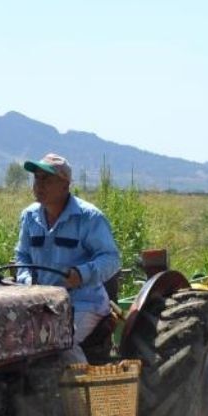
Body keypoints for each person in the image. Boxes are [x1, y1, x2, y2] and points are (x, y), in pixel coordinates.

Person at [14, 153, 121, 364]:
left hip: (82, 301)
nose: (39, 185)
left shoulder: (89, 217)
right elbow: (22, 255)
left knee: (61, 340)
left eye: (47, 179)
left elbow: (111, 259)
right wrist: (25, 280)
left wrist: (82, 274)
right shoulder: (30, 216)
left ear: (65, 185)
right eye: (37, 178)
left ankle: (81, 392)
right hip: (41, 302)